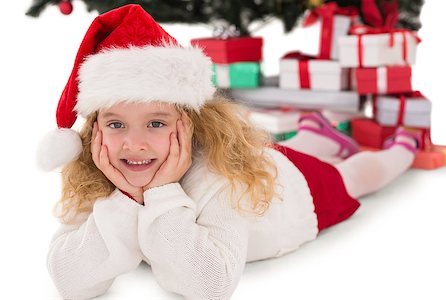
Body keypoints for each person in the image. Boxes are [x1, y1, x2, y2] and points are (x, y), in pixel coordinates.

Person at [37, 4, 421, 300]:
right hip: (268, 160)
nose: (133, 144)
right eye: (116, 124)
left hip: (291, 195)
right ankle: (316, 133)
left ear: (188, 125)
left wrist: (160, 192)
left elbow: (211, 286)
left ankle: (403, 148)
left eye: (155, 123)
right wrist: (126, 197)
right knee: (280, 150)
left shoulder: (220, 177)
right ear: (94, 131)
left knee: (351, 178)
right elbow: (70, 281)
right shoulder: (99, 172)